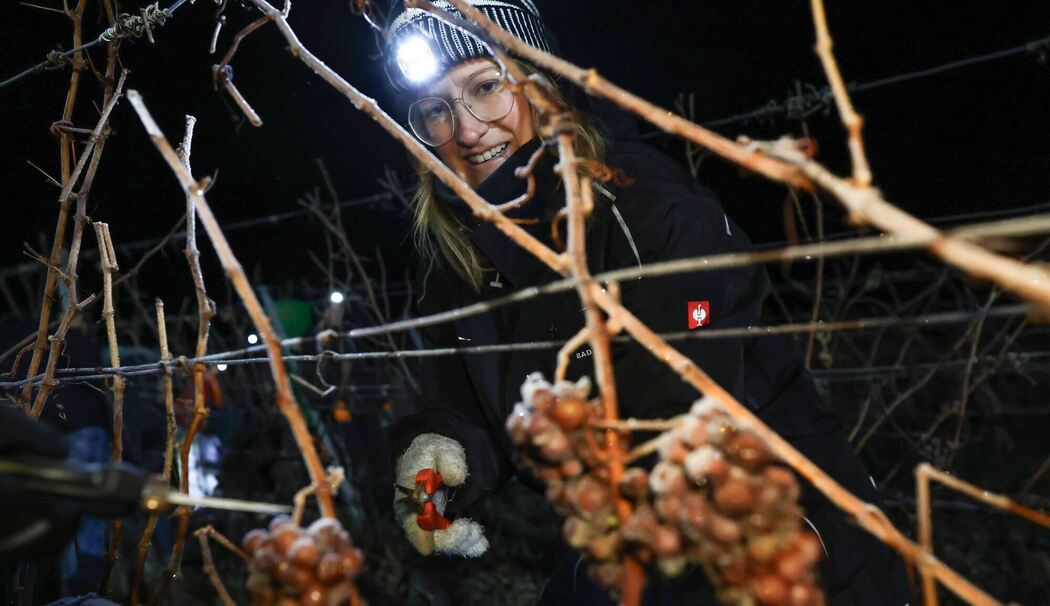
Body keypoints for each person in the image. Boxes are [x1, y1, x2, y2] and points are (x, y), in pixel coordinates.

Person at [382, 1, 911, 603]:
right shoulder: (463, 256)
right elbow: (462, 400)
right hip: (630, 537)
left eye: (485, 87)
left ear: (540, 83)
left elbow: (680, 409)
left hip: (775, 535)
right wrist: (439, 453)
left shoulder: (640, 203)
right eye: (435, 111)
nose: (469, 127)